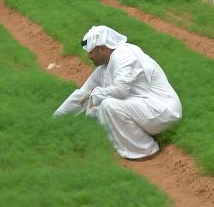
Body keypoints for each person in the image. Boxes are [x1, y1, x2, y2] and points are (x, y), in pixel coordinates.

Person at [53, 26, 182, 160]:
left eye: (91, 52)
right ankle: (128, 141)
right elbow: (82, 95)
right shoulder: (104, 67)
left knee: (108, 105)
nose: (88, 56)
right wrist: (54, 122)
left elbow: (121, 90)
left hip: (163, 111)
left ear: (102, 48)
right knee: (97, 109)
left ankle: (145, 149)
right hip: (146, 109)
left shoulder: (123, 55)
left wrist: (95, 94)